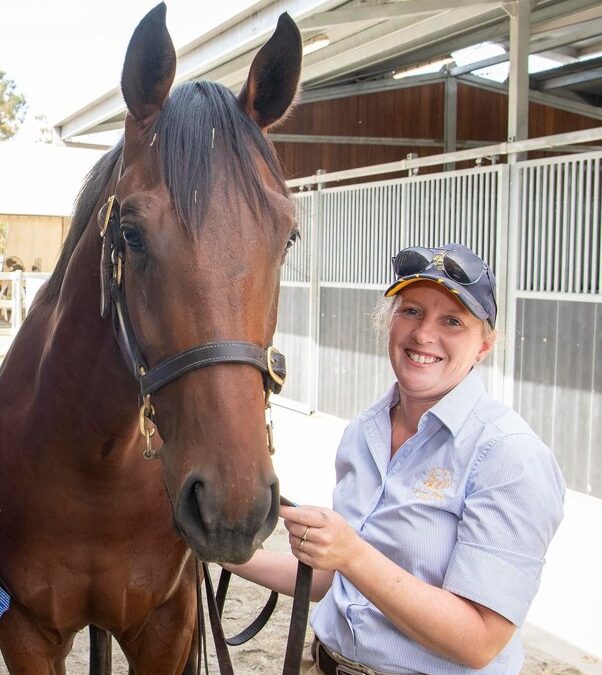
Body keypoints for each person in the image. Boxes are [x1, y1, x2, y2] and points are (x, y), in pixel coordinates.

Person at [225, 243, 565, 675]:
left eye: (452, 321)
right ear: (389, 322)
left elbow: (479, 640)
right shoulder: (363, 433)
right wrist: (225, 554)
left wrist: (351, 554)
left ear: (485, 345)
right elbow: (335, 580)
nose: (423, 335)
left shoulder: (508, 455)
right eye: (411, 312)